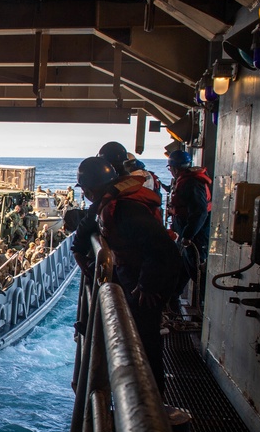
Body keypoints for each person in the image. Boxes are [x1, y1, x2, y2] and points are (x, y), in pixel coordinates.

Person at [74, 156, 182, 396]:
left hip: (153, 280)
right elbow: (87, 228)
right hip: (139, 274)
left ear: (90, 189)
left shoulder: (126, 210)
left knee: (145, 338)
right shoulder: (111, 203)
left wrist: (147, 285)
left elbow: (162, 250)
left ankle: (151, 400)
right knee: (135, 330)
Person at [166, 150, 211, 261]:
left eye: (170, 168)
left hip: (195, 237)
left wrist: (188, 235)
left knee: (194, 265)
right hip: (187, 233)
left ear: (175, 169)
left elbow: (200, 212)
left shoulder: (191, 184)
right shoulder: (187, 181)